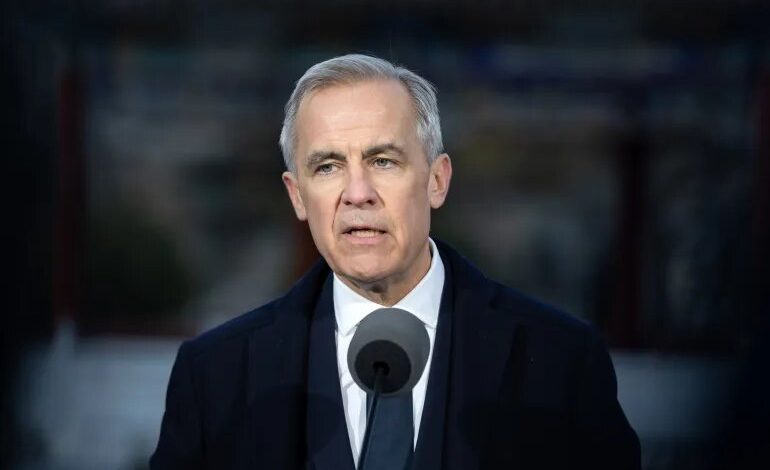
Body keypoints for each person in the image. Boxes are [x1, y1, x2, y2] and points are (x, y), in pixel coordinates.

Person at [150, 54, 641, 470]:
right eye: (328, 166)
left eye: (383, 161)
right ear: (297, 196)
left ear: (437, 181)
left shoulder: (561, 362)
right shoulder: (215, 377)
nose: (357, 193)